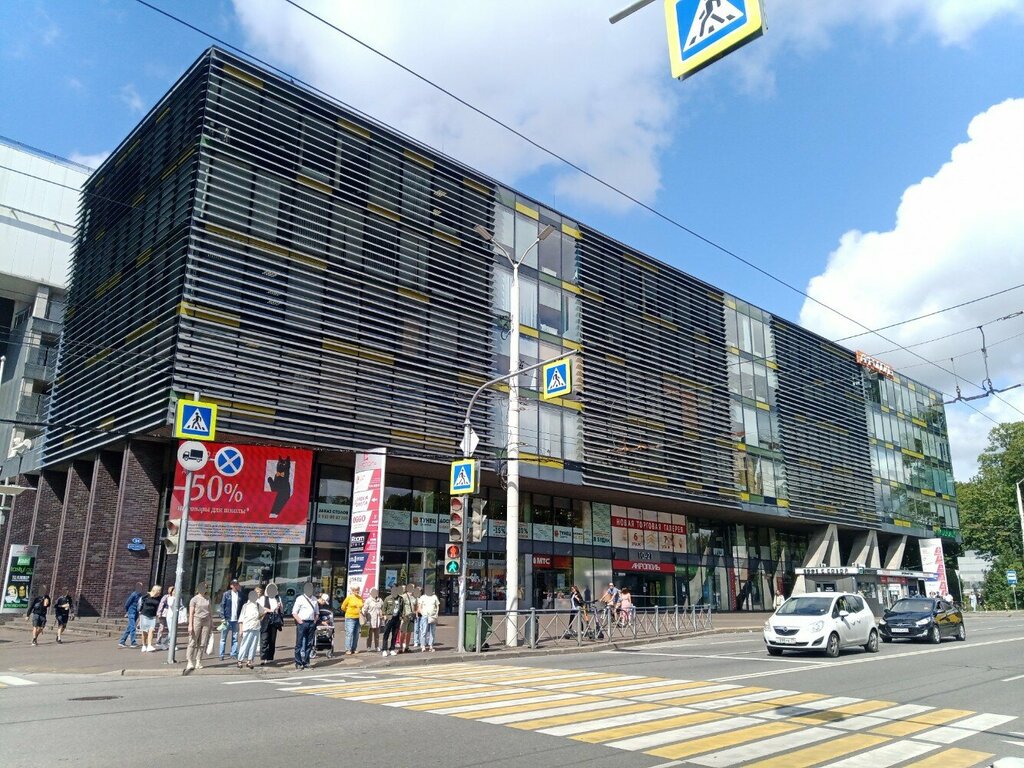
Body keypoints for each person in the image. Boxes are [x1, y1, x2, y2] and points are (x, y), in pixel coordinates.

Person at [186, 581, 213, 671]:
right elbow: (191, 613)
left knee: (202, 642)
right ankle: (190, 661)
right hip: (196, 620)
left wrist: (211, 622)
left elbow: (210, 611)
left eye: (206, 587)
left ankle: (198, 661)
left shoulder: (208, 598)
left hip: (206, 621)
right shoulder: (194, 599)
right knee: (193, 641)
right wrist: (190, 625)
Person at [292, 582, 318, 670]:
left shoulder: (314, 599)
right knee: (299, 643)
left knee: (309, 643)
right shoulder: (300, 598)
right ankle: (298, 662)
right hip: (302, 622)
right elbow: (294, 612)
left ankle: (306, 662)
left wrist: (314, 621)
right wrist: (300, 621)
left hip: (311, 623)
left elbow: (317, 612)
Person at [236, 591, 265, 669]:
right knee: (245, 644)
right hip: (247, 627)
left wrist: (260, 617)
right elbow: (241, 619)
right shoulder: (245, 606)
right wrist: (241, 629)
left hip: (256, 627)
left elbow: (262, 614)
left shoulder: (258, 605)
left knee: (253, 645)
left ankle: (249, 661)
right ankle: (240, 660)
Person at [259, 583, 283, 664]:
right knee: (264, 638)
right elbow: (260, 608)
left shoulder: (278, 598)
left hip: (274, 620)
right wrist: (270, 610)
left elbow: (281, 610)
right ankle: (264, 657)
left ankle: (270, 657)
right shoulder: (263, 598)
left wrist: (279, 607)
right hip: (265, 619)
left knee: (272, 639)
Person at [219, 579, 242, 660]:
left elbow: (242, 607)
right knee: (223, 638)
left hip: (236, 620)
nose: (235, 586)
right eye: (234, 584)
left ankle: (233, 653)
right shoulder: (226, 594)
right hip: (227, 619)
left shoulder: (240, 595)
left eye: (237, 584)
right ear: (231, 585)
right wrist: (222, 617)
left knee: (235, 638)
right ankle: (221, 654)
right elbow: (222, 605)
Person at [117, 582, 144, 648]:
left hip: (136, 612)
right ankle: (133, 642)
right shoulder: (134, 594)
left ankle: (122, 641)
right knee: (133, 626)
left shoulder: (140, 595)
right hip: (131, 611)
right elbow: (127, 603)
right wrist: (128, 611)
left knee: (129, 627)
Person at [138, 585, 162, 652]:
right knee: (144, 631)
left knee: (151, 630)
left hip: (153, 616)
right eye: (159, 590)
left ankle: (149, 645)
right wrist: (139, 612)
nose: (160, 592)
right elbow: (141, 603)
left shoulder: (159, 598)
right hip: (144, 615)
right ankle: (143, 645)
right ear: (155, 590)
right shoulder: (147, 596)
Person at [340, 587, 363, 656]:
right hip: (350, 618)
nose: (357, 591)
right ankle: (348, 649)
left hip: (358, 618)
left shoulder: (360, 598)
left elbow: (362, 606)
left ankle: (354, 648)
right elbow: (343, 607)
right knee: (349, 633)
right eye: (356, 590)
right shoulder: (349, 598)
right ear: (352, 591)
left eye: (358, 590)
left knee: (356, 634)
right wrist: (348, 611)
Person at [416, 585, 440, 651]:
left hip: (433, 616)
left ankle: (431, 645)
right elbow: (419, 607)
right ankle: (423, 645)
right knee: (424, 631)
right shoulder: (422, 597)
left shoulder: (434, 597)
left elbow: (437, 605)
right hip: (425, 616)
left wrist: (436, 613)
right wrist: (422, 613)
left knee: (432, 631)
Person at [381, 586, 403, 657]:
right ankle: (384, 650)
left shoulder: (400, 599)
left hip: (397, 619)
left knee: (394, 635)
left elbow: (402, 609)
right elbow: (383, 609)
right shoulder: (388, 598)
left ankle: (392, 649)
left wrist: (401, 617)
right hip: (389, 618)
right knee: (386, 634)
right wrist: (384, 615)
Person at [155, 585, 176, 650]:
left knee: (170, 629)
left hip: (171, 614)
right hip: (164, 614)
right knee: (162, 627)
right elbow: (161, 604)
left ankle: (169, 641)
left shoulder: (176, 597)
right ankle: (158, 640)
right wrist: (159, 613)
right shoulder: (166, 597)